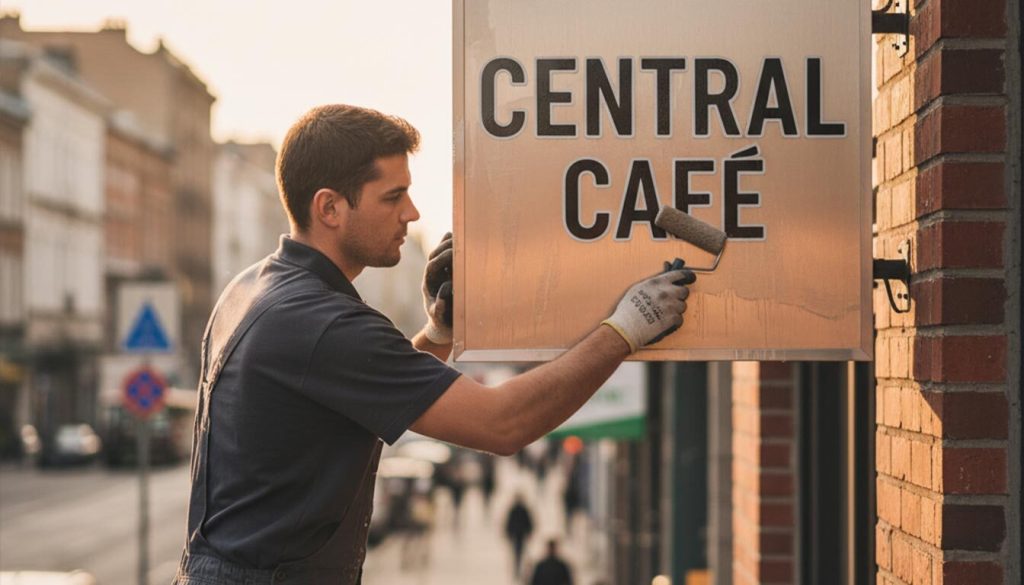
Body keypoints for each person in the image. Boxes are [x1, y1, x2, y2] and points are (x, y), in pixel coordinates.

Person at [173, 104, 694, 585]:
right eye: (393, 197)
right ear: (329, 208)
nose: (413, 213)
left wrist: (439, 332)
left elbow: (358, 401)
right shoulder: (323, 324)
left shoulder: (251, 288)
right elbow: (502, 423)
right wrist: (626, 328)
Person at [505, 495, 534, 579]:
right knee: (518, 553)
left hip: (520, 535)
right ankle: (518, 569)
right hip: (518, 535)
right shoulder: (519, 510)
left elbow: (528, 522)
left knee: (518, 553)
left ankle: (519, 569)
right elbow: (509, 523)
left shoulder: (519, 510)